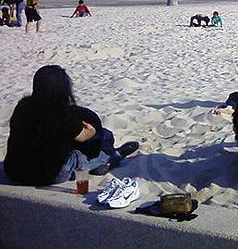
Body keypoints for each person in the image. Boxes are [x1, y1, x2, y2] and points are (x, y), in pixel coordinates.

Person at [3, 65, 139, 185]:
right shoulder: (62, 113)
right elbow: (84, 137)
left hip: (14, 172)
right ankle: (112, 157)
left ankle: (95, 163)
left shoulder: (23, 105)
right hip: (47, 176)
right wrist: (91, 130)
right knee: (102, 140)